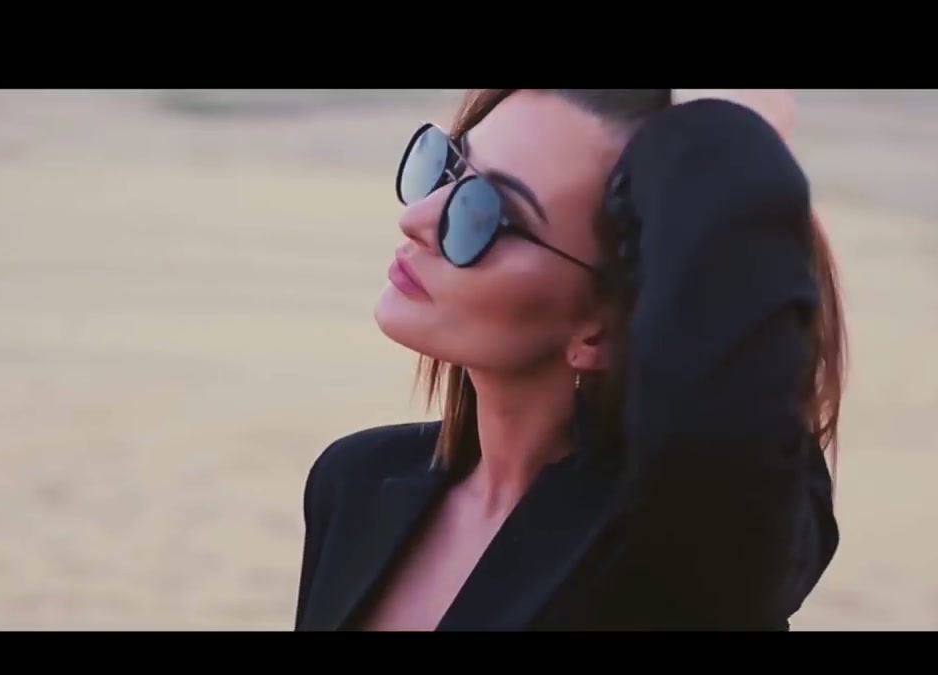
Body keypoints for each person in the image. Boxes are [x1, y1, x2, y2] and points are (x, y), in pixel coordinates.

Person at [292, 89, 845, 631]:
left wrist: (732, 132)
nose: (418, 218)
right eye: (447, 166)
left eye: (484, 215)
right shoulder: (354, 485)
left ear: (600, 330)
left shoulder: (672, 557)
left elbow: (717, 441)